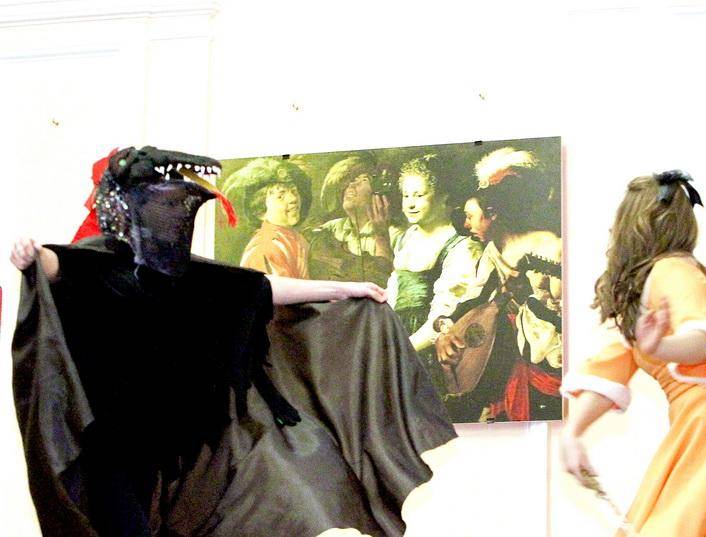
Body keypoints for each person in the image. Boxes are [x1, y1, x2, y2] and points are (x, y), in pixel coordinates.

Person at [10, 146, 457, 537]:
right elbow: (59, 266)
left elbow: (256, 288)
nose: (173, 216)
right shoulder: (100, 262)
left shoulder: (187, 275)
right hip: (111, 446)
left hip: (175, 451)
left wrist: (344, 289)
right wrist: (32, 255)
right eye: (164, 205)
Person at [559, 171, 706, 536]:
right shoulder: (653, 284)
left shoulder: (671, 270)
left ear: (633, 225)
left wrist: (660, 347)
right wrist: (572, 433)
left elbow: (701, 342)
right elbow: (613, 370)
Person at [434, 149, 563, 422]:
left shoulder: (549, 244)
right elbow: (475, 300)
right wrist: (445, 328)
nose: (468, 224)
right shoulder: (492, 250)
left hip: (545, 358)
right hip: (501, 358)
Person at [387, 154, 483, 392]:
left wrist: (401, 350)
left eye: (419, 195)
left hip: (429, 348)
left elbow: (445, 315)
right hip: (396, 337)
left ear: (443, 198)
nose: (410, 204)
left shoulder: (461, 246)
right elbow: (394, 291)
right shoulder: (407, 237)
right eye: (406, 196)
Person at [305, 155, 401, 286]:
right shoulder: (330, 229)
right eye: (352, 180)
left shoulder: (396, 236)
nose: (352, 184)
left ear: (379, 194)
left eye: (364, 180)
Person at [223, 157, 312, 278]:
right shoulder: (265, 248)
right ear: (260, 210)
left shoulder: (295, 238)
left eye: (294, 191)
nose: (293, 199)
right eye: (280, 196)